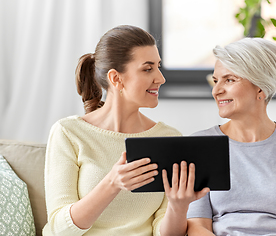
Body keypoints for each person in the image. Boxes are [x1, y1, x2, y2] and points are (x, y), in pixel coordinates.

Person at [42, 25, 208, 236]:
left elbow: (164, 233)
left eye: (158, 66)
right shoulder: (69, 133)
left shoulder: (168, 138)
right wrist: (112, 183)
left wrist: (178, 206)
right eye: (148, 69)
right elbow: (58, 230)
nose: (161, 78)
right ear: (115, 78)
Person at [185, 38, 276, 236]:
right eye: (215, 80)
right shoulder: (201, 145)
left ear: (261, 88)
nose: (216, 90)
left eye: (229, 80)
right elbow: (198, 227)